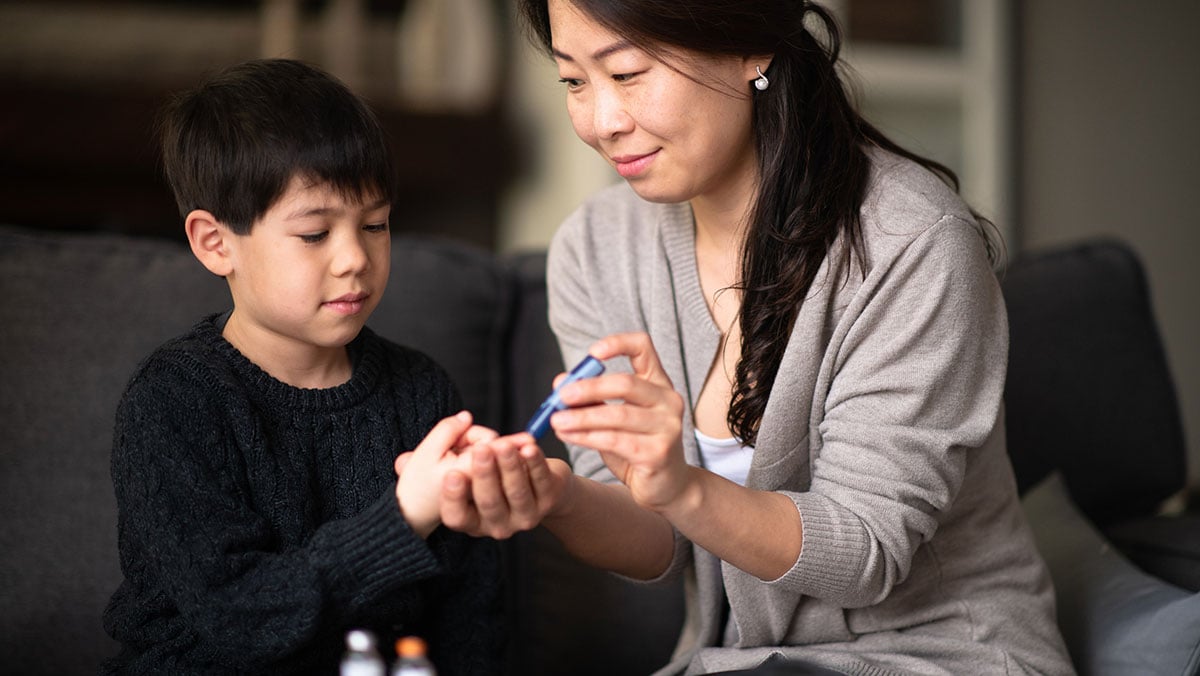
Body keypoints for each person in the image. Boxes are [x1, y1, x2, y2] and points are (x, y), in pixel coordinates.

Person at [434, 1, 1075, 674]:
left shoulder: (911, 244)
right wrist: (556, 495)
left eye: (627, 72)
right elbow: (656, 544)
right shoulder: (597, 249)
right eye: (573, 81)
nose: (602, 121)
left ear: (749, 47)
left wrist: (682, 486)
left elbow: (865, 553)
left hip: (938, 655)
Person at [101, 59, 501, 675]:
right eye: (315, 233)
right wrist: (402, 519)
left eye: (375, 224)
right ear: (216, 243)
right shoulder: (176, 401)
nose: (354, 259)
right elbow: (240, 616)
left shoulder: (421, 393)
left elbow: (469, 614)